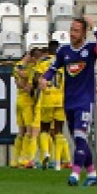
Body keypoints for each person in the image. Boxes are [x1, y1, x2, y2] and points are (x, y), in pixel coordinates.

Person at [39, 16, 97, 187]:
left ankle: (75, 173)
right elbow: (53, 68)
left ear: (84, 33)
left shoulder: (91, 49)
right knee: (79, 139)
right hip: (68, 101)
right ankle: (92, 174)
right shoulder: (64, 51)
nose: (72, 33)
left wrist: (95, 27)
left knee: (80, 136)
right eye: (71, 30)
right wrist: (44, 78)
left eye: (76, 30)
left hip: (85, 100)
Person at [39, 41, 71, 170]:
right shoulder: (65, 64)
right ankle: (58, 163)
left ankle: (46, 153)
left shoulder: (42, 63)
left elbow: (37, 79)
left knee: (44, 129)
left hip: (47, 99)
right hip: (61, 99)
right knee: (59, 131)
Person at [11, 48, 36, 167]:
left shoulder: (16, 66)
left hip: (19, 100)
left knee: (21, 131)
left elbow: (19, 82)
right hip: (26, 102)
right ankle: (24, 158)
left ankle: (14, 159)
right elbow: (27, 86)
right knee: (29, 131)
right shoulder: (29, 69)